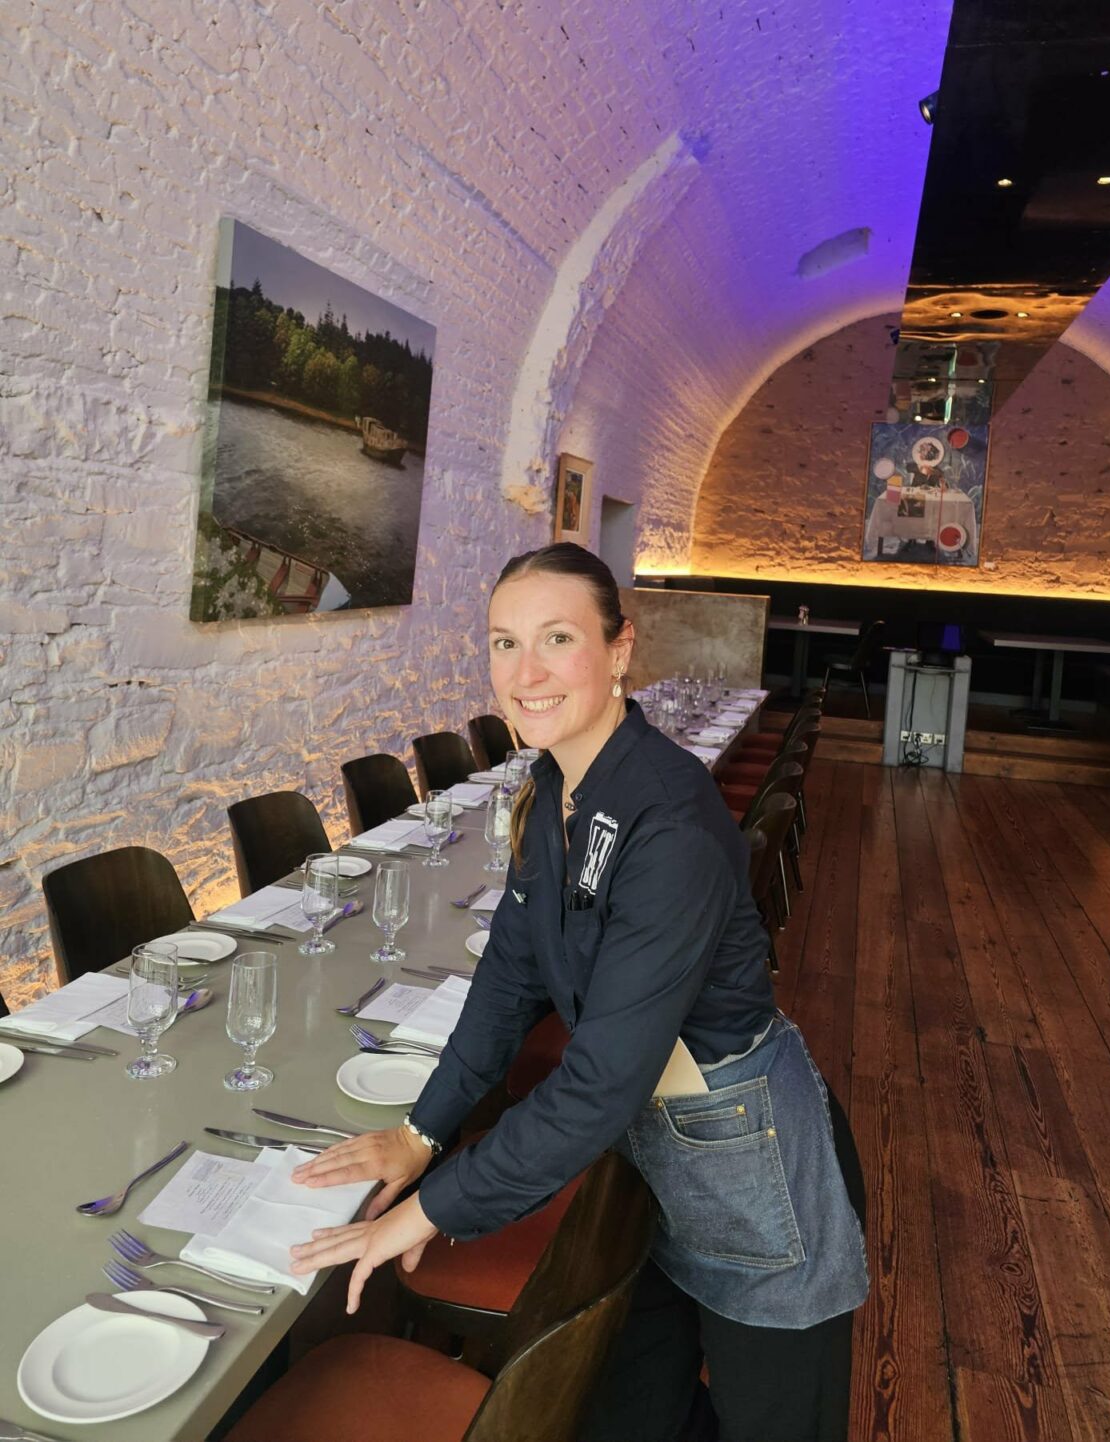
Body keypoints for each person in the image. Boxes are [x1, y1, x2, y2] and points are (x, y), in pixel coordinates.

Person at [289, 542, 869, 1441]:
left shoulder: (667, 818)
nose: (525, 674)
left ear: (621, 649)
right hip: (645, 1160)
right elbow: (508, 979)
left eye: (557, 638)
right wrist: (420, 1133)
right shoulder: (551, 783)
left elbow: (599, 1081)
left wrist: (426, 1210)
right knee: (635, 1412)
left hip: (753, 1162)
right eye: (503, 643)